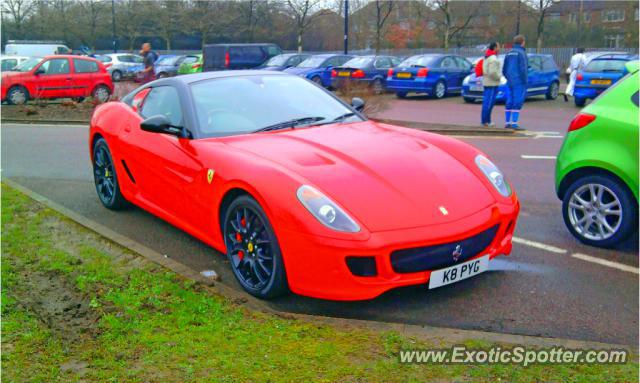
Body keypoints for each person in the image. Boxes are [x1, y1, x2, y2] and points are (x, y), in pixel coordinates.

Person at [502, 35, 528, 131]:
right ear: (522, 42)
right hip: (519, 81)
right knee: (517, 101)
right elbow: (523, 68)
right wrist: (525, 80)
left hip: (509, 80)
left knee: (509, 100)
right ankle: (514, 123)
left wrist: (507, 76)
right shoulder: (522, 53)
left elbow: (504, 68)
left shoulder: (508, 53)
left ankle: (507, 122)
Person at [481, 42, 501, 127]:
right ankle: (486, 121)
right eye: (498, 46)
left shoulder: (487, 57)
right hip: (492, 83)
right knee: (489, 103)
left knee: (486, 102)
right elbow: (492, 72)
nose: (499, 48)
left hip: (486, 82)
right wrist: (499, 77)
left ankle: (486, 120)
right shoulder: (493, 59)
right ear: (495, 47)